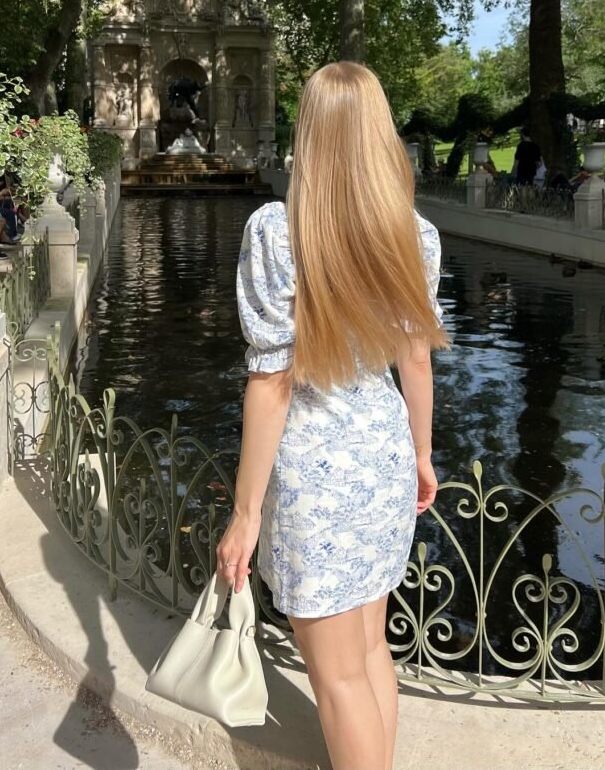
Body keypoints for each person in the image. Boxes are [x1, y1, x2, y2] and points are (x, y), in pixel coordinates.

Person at [216, 62, 448, 770]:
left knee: (339, 677)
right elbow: (416, 362)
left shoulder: (279, 232)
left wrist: (245, 514)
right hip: (383, 458)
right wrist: (421, 455)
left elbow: (272, 384)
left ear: (309, 134)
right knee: (371, 650)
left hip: (316, 477)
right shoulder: (415, 236)